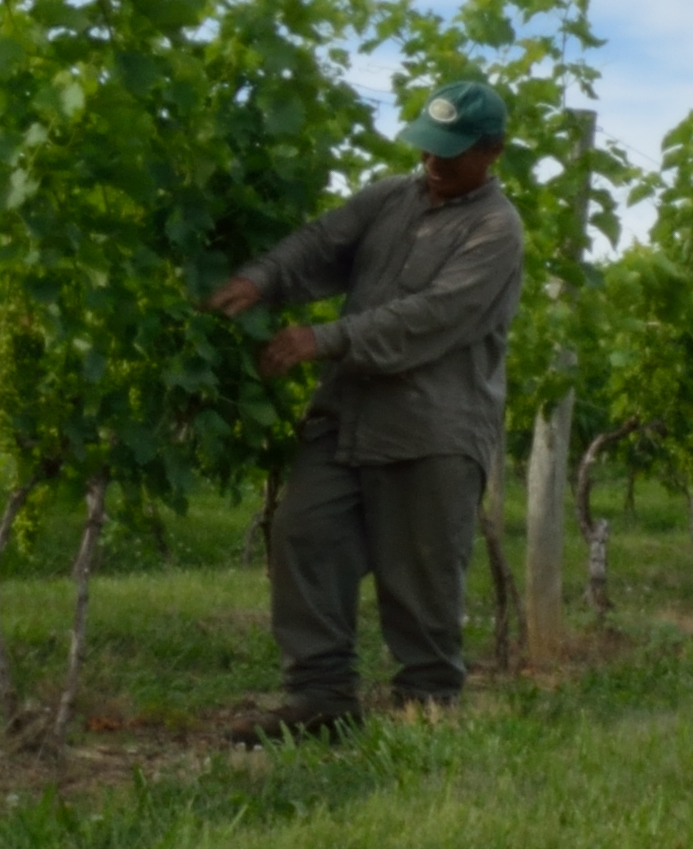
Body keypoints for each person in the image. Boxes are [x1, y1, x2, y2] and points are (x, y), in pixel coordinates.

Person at [207, 76, 527, 737]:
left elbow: (432, 316)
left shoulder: (496, 229)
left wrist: (324, 339)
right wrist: (259, 278)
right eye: (426, 146)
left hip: (433, 427)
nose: (432, 162)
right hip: (347, 414)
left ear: (492, 150)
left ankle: (428, 709)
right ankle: (321, 699)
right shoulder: (390, 197)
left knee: (421, 576)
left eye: (450, 153)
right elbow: (321, 242)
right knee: (304, 535)